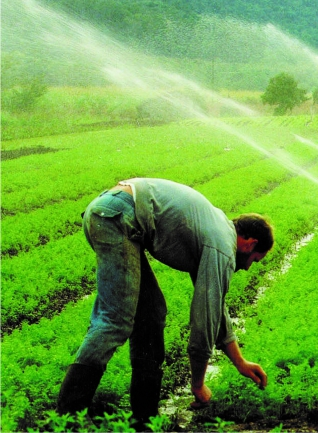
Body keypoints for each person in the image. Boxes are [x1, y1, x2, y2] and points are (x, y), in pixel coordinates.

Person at [56, 178, 272, 428]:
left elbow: (216, 308)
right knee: (114, 321)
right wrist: (198, 385)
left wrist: (239, 361)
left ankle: (144, 419)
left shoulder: (216, 230)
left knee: (151, 313)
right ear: (251, 243)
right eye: (255, 259)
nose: (247, 267)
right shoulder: (222, 246)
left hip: (113, 211)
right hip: (117, 217)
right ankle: (66, 417)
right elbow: (204, 323)